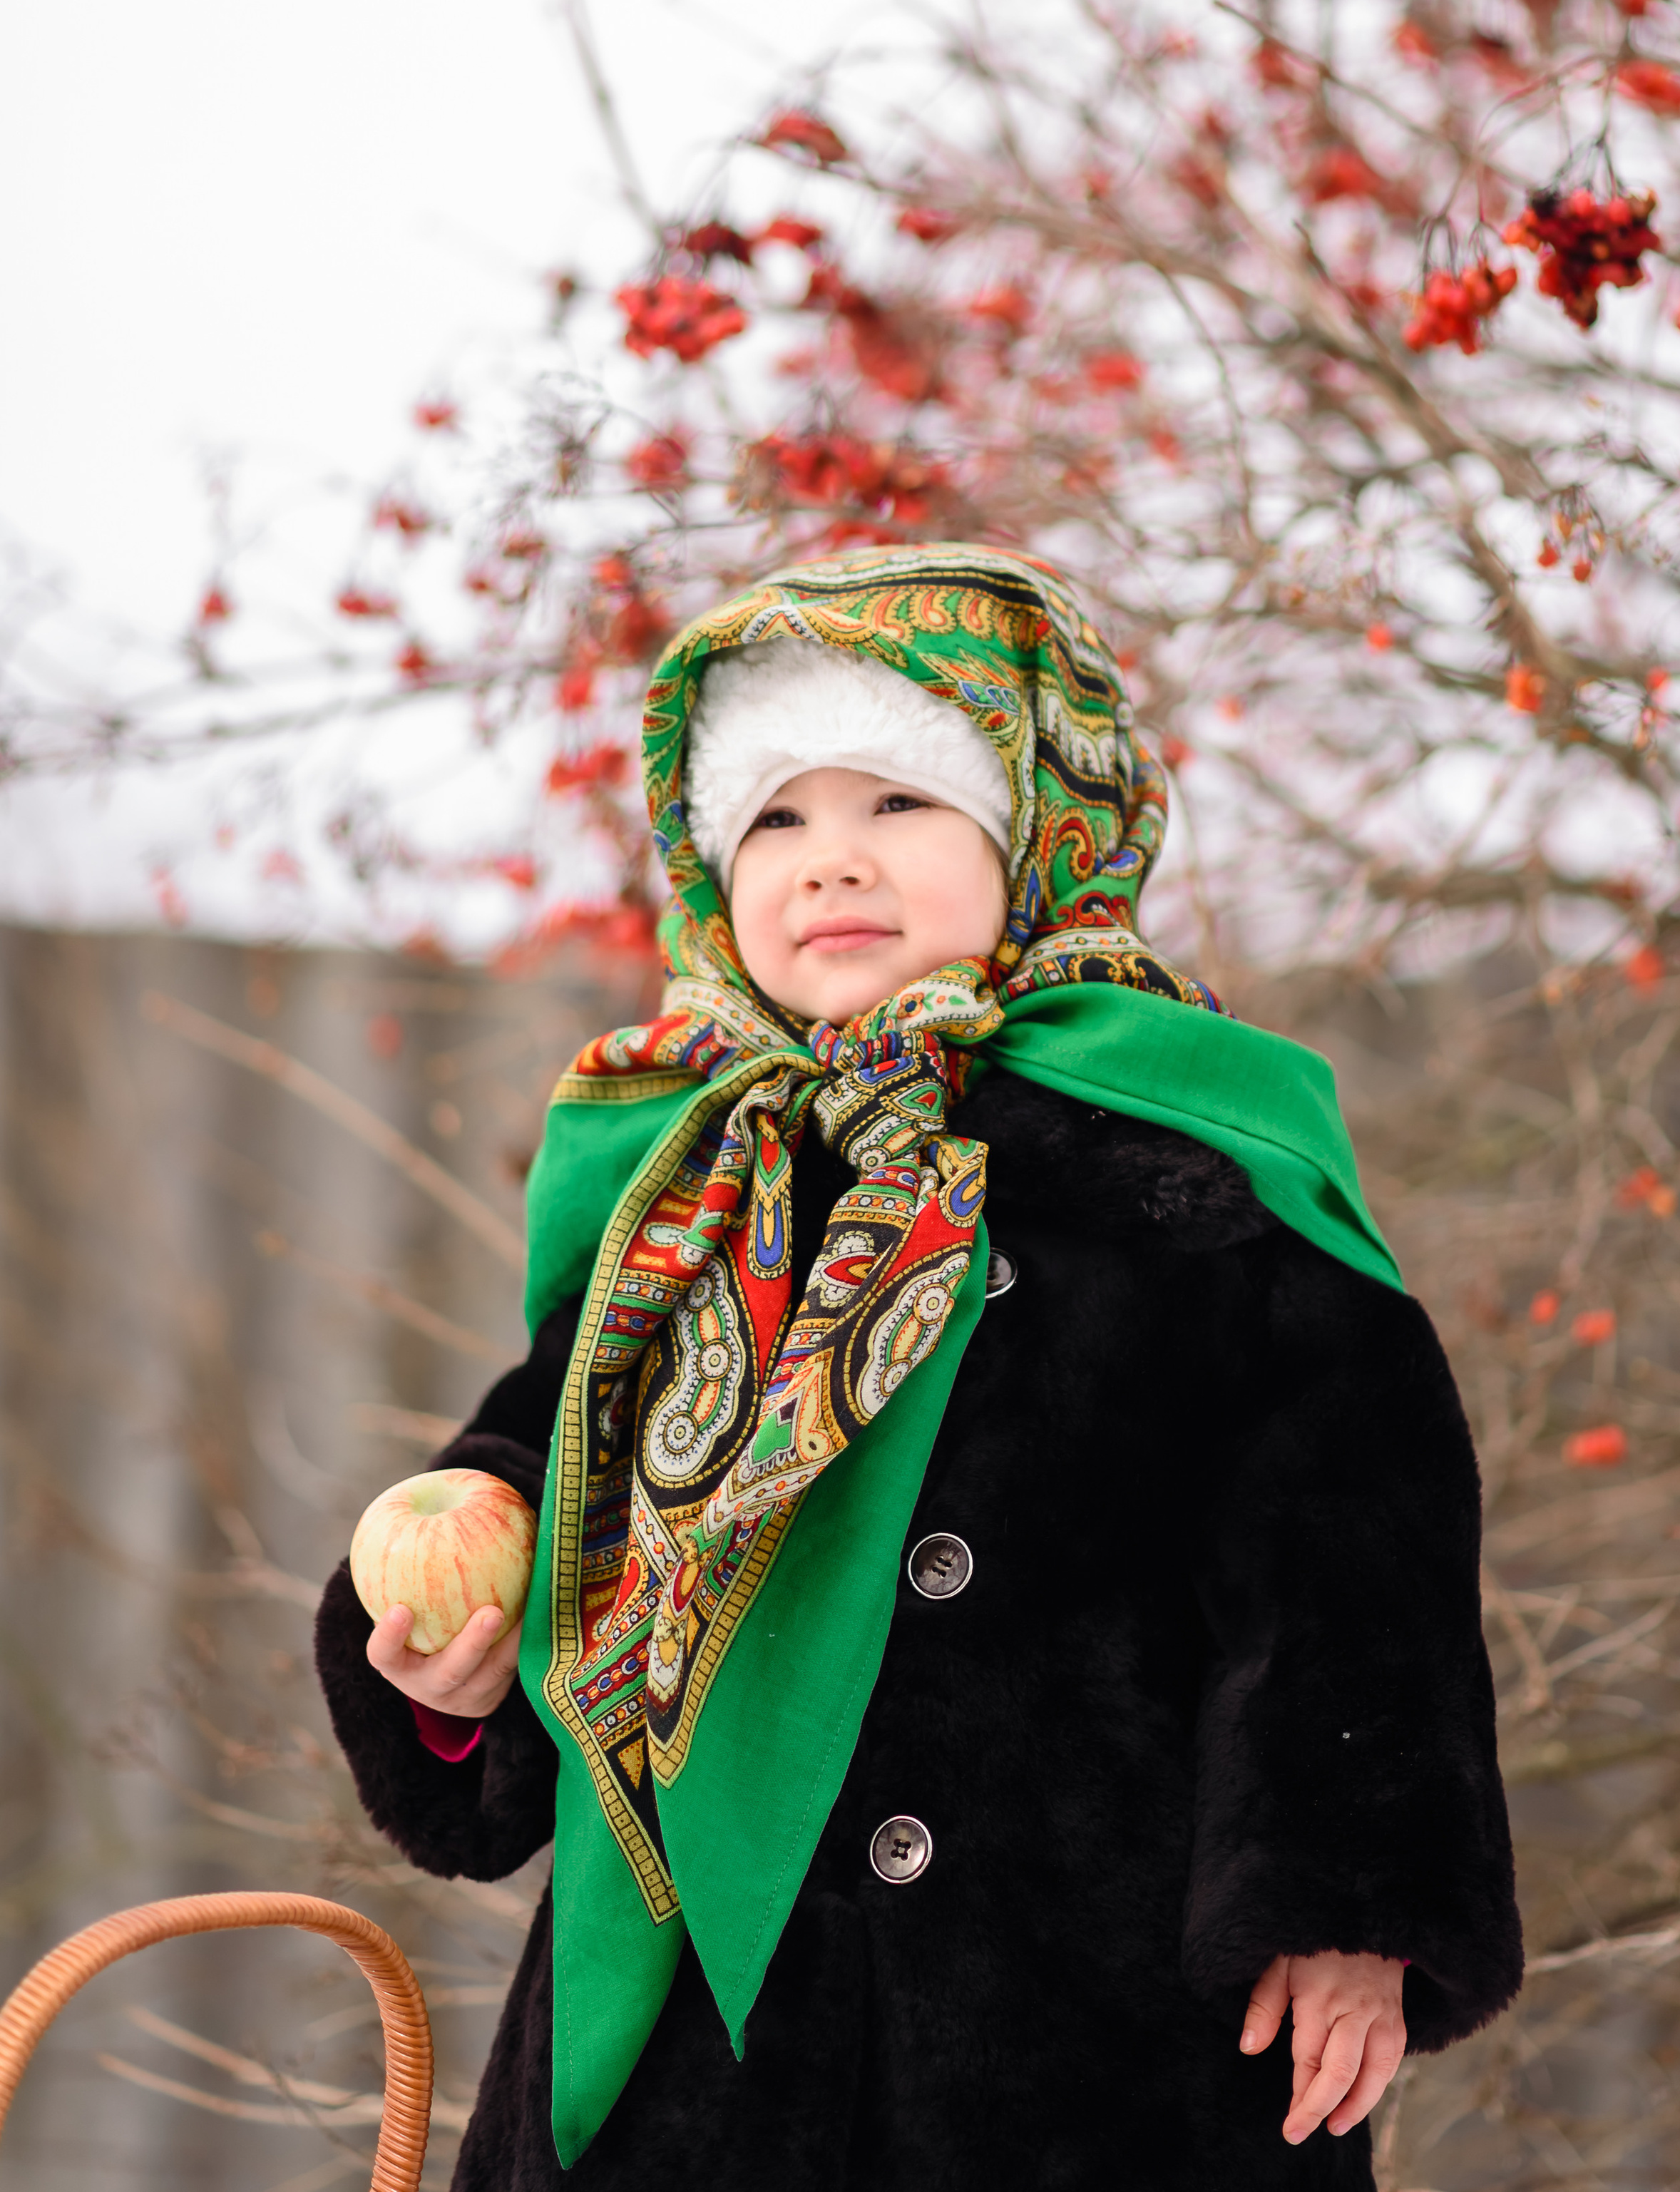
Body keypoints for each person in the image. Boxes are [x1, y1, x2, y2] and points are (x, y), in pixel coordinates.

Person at [315, 541, 1522, 2191]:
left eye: (898, 805)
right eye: (778, 822)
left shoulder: (1189, 1178)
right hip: (701, 2069)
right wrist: (449, 1656)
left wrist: (1345, 1909)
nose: (830, 863)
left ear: (1028, 838)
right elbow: (551, 1487)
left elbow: (1348, 1570)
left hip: (1090, 2041)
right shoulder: (688, 1196)